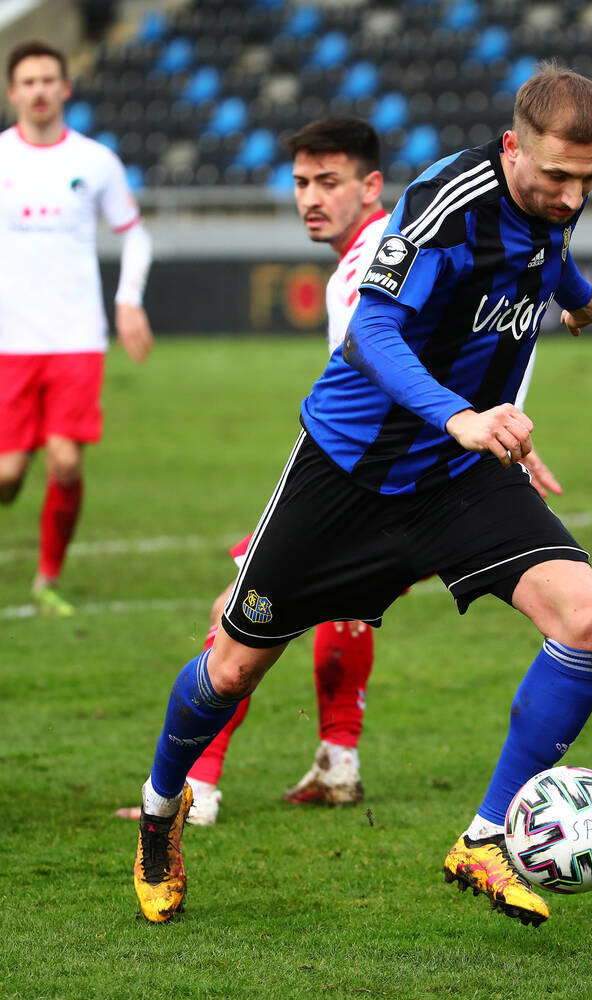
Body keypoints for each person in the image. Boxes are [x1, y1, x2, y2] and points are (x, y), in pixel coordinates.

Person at [132, 65, 592, 928]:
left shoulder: (551, 207)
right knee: (235, 663)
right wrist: (459, 416)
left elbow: (549, 256)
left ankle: (484, 842)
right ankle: (161, 810)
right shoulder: (449, 202)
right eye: (556, 176)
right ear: (512, 149)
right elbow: (371, 330)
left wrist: (585, 302)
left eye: (591, 178)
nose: (572, 194)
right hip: (348, 472)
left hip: (456, 480)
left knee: (590, 625)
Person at [114, 118, 560, 825]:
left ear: (371, 186)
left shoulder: (378, 260)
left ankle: (196, 791)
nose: (310, 199)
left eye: (329, 182)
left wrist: (488, 432)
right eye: (300, 183)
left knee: (233, 617)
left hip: (398, 478)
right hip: (431, 468)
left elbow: (401, 361)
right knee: (339, 604)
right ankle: (337, 761)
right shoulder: (414, 242)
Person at [0, 40, 153, 616]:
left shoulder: (93, 161)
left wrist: (128, 300)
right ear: (13, 92)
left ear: (65, 88)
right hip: (9, 341)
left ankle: (46, 580)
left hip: (75, 337)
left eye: (48, 79)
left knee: (65, 460)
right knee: (8, 476)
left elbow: (133, 233)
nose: (39, 90)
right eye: (28, 81)